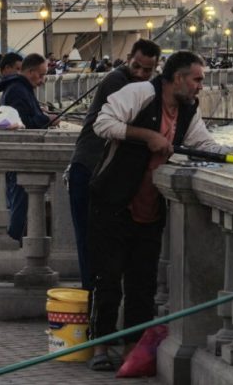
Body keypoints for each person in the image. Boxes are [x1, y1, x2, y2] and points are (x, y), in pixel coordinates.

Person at [86, 50, 233, 371]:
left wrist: (231, 154)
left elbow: (202, 143)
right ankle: (101, 345)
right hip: (112, 203)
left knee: (143, 282)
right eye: (197, 79)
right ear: (178, 78)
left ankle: (134, 346)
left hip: (150, 209)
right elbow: (102, 123)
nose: (200, 86)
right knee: (107, 279)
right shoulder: (140, 93)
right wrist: (147, 135)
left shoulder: (188, 110)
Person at [67, 39, 161, 290]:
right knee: (90, 244)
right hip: (87, 168)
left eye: (147, 70)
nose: (140, 73)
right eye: (136, 66)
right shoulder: (117, 81)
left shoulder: (143, 86)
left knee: (103, 246)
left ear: (156, 68)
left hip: (104, 173)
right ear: (128, 57)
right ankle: (91, 303)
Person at [0, 53, 59, 241]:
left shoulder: (20, 88)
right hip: (19, 156)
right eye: (40, 75)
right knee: (19, 204)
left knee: (19, 203)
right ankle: (13, 243)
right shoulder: (18, 90)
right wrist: (48, 119)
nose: (42, 80)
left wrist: (43, 115)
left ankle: (14, 242)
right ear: (30, 72)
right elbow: (23, 123)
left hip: (19, 155)